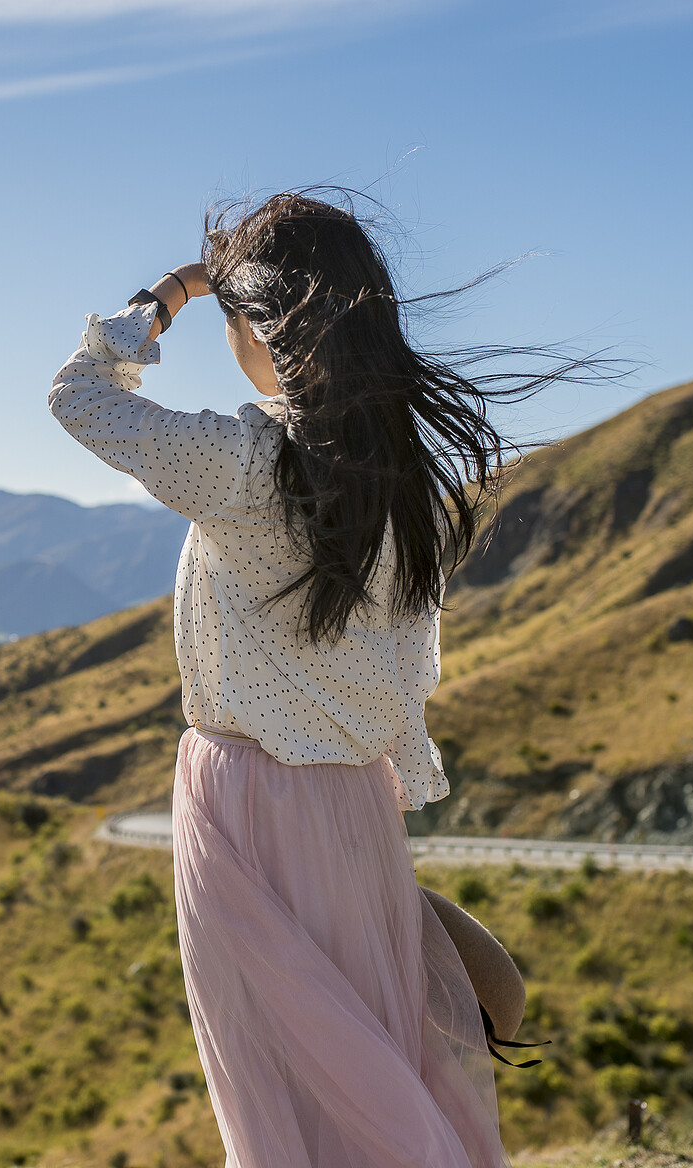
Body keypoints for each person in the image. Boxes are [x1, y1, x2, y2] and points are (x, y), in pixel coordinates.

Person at [48, 191, 540, 1168]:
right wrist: (364, 813)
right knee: (361, 1061)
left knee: (277, 1088)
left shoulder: (241, 464)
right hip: (352, 798)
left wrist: (163, 298)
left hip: (246, 801)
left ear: (263, 326)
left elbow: (77, 397)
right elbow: (404, 670)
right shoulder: (397, 484)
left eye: (235, 312)